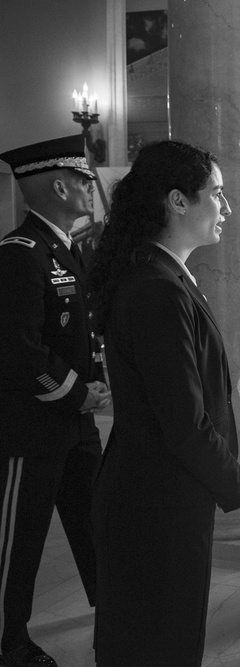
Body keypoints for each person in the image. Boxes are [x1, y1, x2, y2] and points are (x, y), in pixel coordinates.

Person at [87, 141, 240, 666]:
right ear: (178, 202)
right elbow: (184, 424)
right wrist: (236, 483)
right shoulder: (157, 287)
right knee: (161, 641)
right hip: (156, 502)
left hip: (156, 492)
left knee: (158, 634)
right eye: (218, 195)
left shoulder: (163, 274)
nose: (226, 208)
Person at [0, 136, 109, 667]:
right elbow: (19, 353)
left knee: (96, 522)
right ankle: (9, 639)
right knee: (20, 542)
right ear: (60, 185)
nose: (92, 186)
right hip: (33, 427)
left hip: (76, 424)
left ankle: (114, 615)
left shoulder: (64, 248)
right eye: (84, 179)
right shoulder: (19, 254)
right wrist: (75, 391)